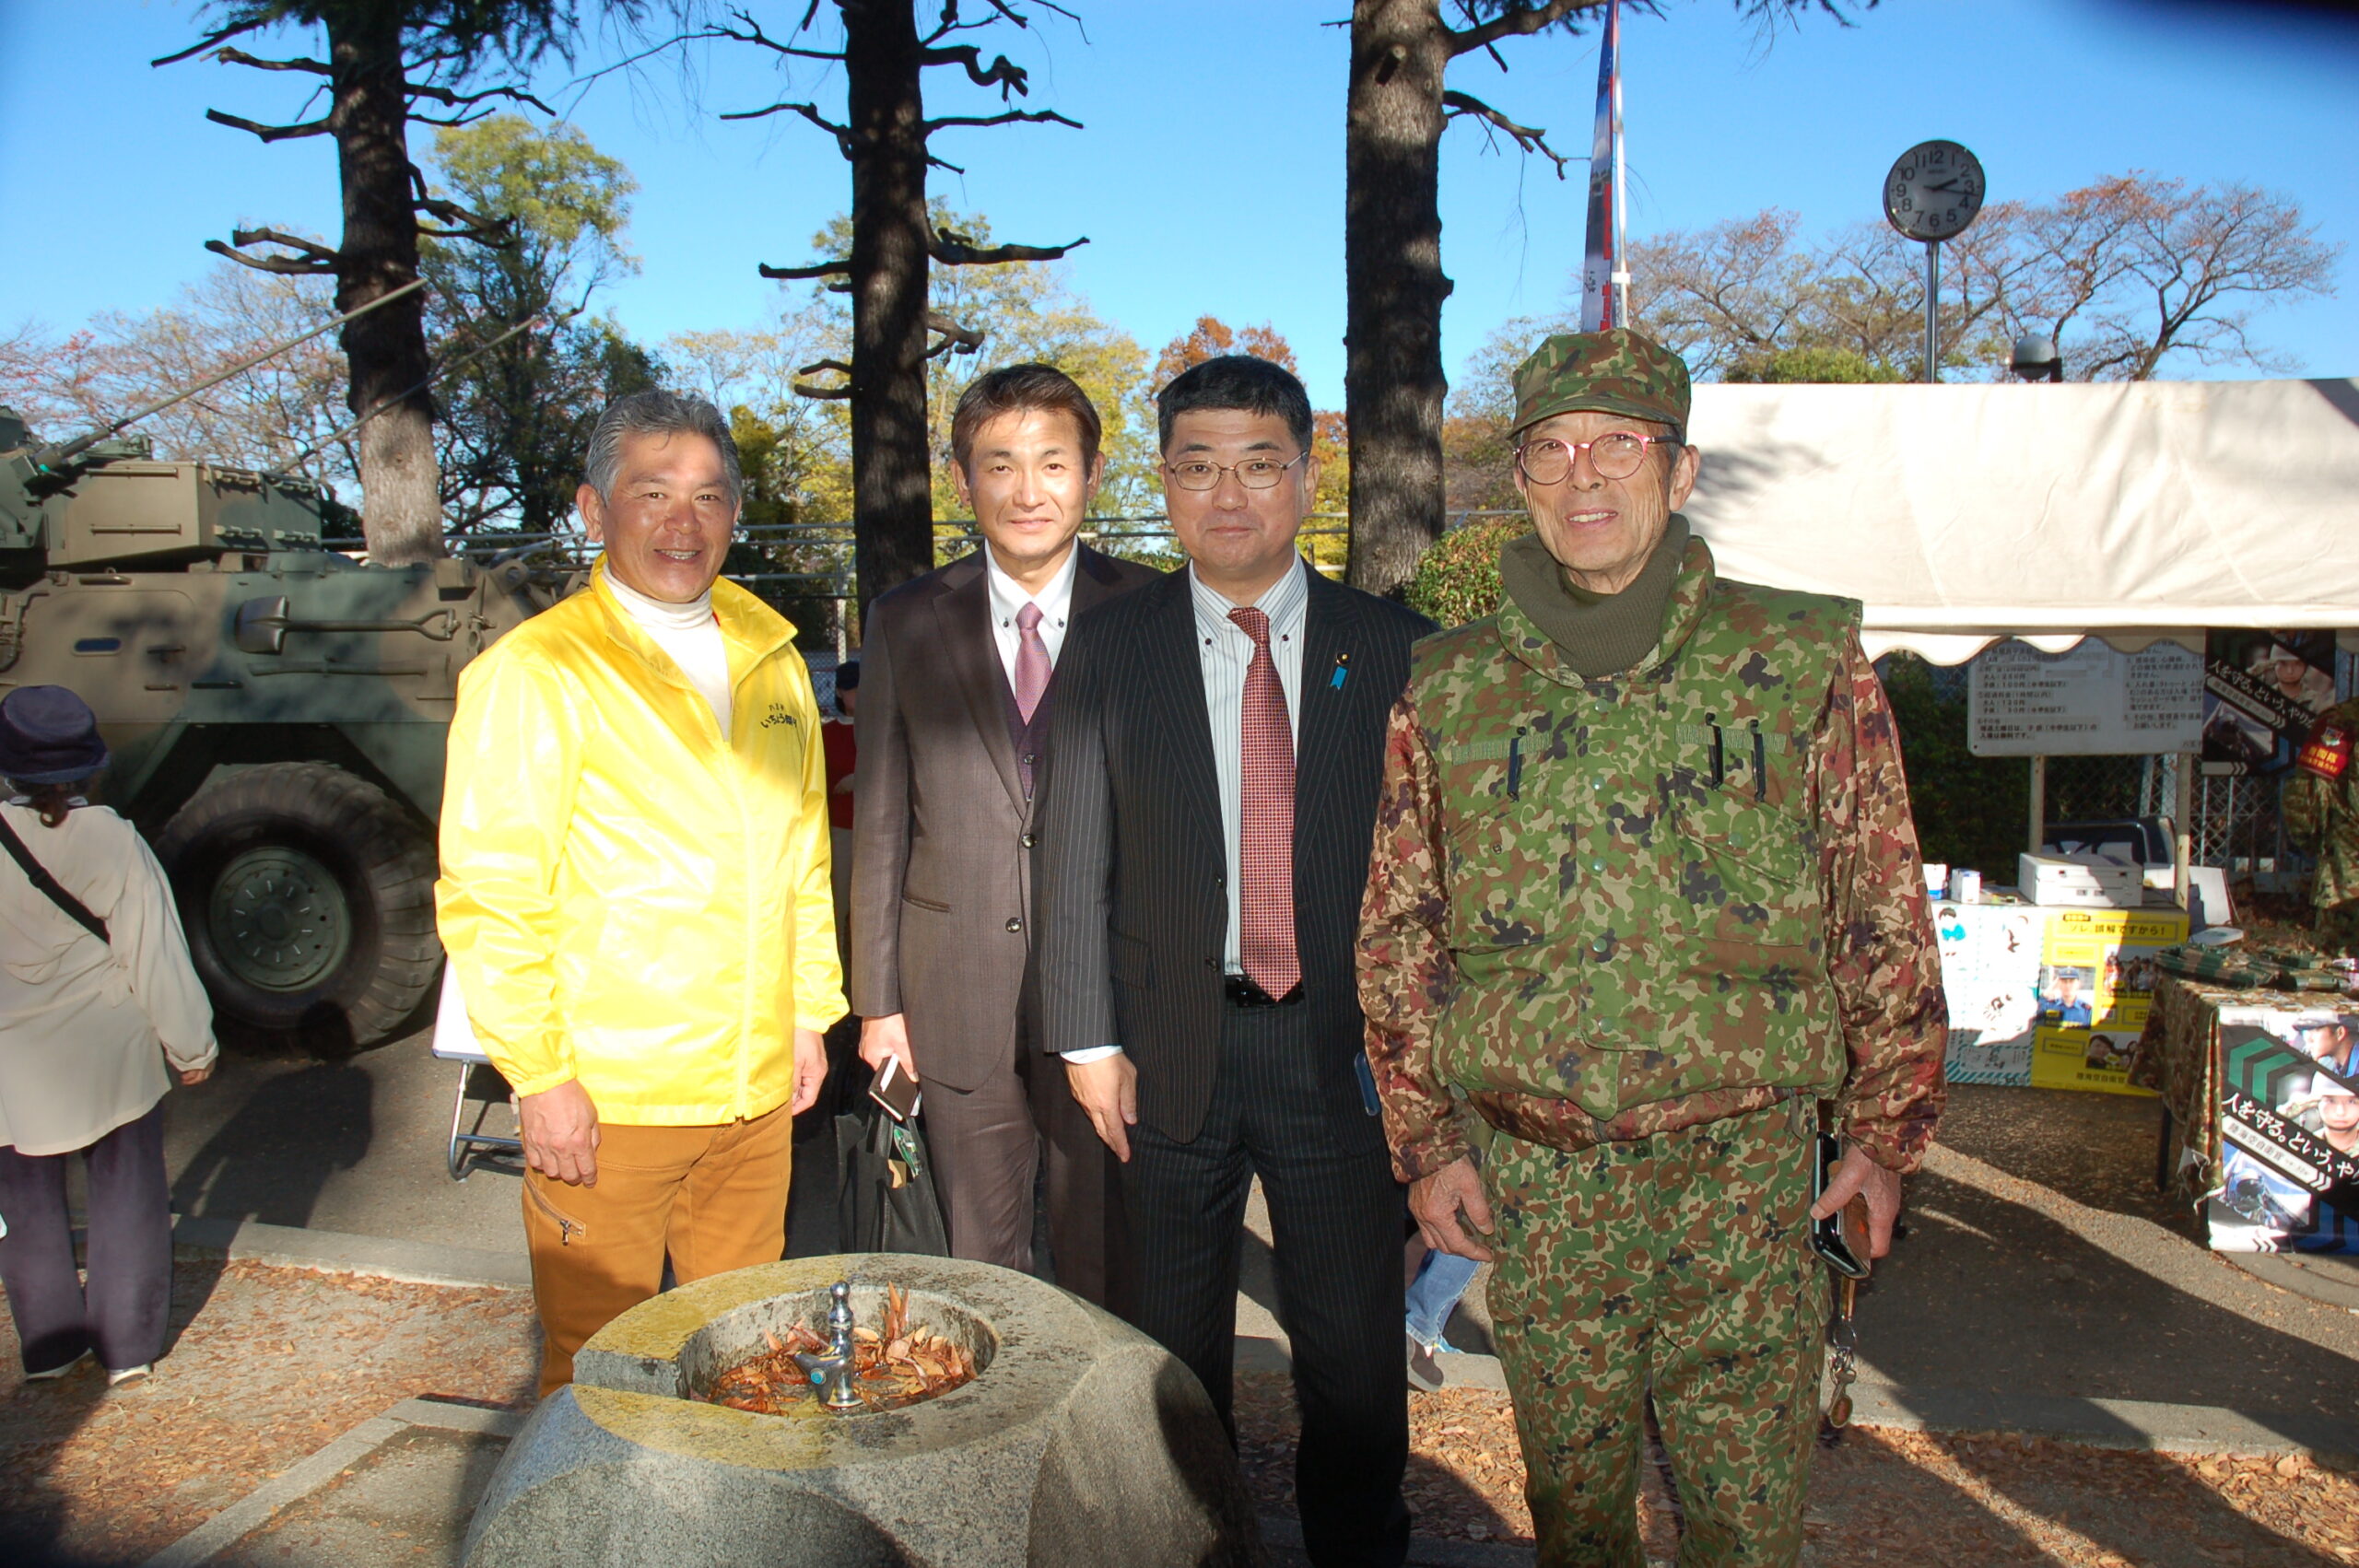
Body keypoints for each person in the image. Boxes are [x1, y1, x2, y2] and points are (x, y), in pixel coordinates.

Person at [1356, 328, 1947, 1566]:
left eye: (1618, 445)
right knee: (1577, 1525)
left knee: (1746, 1527)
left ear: (1679, 472)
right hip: (1542, 1186)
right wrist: (1427, 1141)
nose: (1582, 476)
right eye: (1550, 450)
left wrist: (1884, 1132)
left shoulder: (1798, 660)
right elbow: (1401, 925)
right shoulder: (1450, 688)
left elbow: (1879, 904)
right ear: (1520, 478)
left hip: (1748, 1185)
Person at [1036, 354, 1432, 1568]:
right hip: (1164, 1050)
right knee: (1168, 1353)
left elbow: (1444, 872)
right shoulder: (1111, 644)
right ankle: (1188, 1545)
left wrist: (1429, 1062)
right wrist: (1087, 1038)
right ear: (1163, 483)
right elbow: (1072, 847)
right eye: (1197, 466)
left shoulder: (1399, 648)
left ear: (1307, 477)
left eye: (1259, 465)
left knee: (1353, 1360)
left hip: (1338, 1054)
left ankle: (1357, 1547)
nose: (1228, 494)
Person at [437, 389, 843, 1397]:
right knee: (596, 1376)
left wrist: (808, 1014)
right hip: (610, 1103)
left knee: (749, 1359)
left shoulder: (772, 660)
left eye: (708, 495)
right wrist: (541, 1077)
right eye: (652, 492)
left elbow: (801, 856)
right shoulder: (537, 671)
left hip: (754, 1096)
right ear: (593, 508)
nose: (682, 521)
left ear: (734, 513)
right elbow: (492, 892)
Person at [849, 363, 1156, 1305]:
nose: (1028, 491)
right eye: (1000, 465)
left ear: (1091, 473)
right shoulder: (905, 620)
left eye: (1052, 463)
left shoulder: (1153, 613)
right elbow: (883, 821)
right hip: (951, 994)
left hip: (1109, 1000)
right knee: (977, 1268)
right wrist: (877, 1004)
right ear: (961, 479)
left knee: (1107, 1259)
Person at [0, 685, 217, 1387]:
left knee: (25, 1204)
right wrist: (191, 1046)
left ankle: (50, 1345)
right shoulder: (114, 839)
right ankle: (126, 1347)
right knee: (128, 1198)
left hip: (10, 1053)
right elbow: (155, 954)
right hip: (109, 1044)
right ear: (90, 766)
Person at [2286, 696, 2359, 955]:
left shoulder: (2343, 719)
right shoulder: (2342, 721)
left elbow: (2306, 798)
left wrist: (2315, 845)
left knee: (2340, 967)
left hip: (2347, 870)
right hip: (2346, 870)